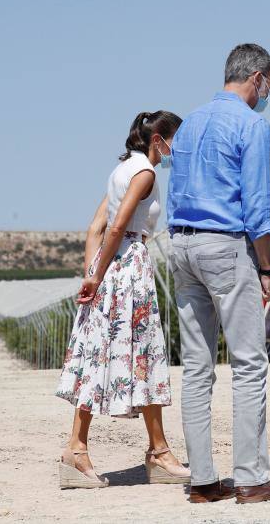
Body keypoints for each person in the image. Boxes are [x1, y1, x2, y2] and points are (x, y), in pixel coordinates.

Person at [168, 43, 270, 504]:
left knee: (197, 366)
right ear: (259, 77)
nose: (269, 92)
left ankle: (203, 480)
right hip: (224, 244)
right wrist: (266, 266)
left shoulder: (188, 123)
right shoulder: (251, 123)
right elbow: (256, 204)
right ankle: (251, 477)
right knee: (248, 363)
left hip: (180, 244)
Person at [56, 111, 189, 489]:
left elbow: (96, 227)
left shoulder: (120, 171)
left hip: (108, 265)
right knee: (143, 353)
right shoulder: (145, 172)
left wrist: (93, 272)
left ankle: (78, 450)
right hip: (129, 263)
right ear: (159, 138)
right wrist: (99, 275)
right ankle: (157, 453)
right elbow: (116, 227)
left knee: (97, 353)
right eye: (175, 139)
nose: (176, 148)